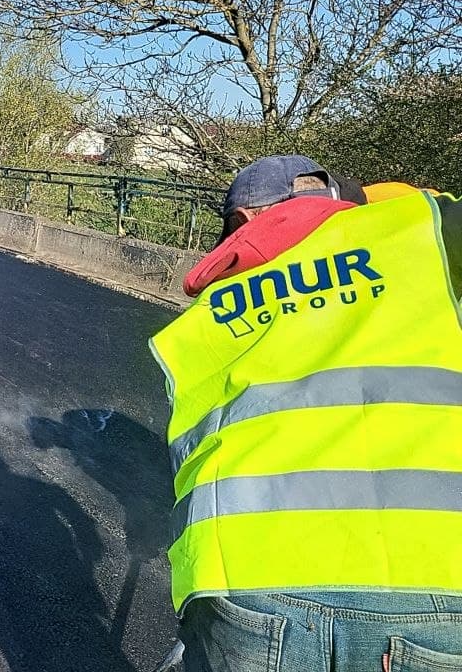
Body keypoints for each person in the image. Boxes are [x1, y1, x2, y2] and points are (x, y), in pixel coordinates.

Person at [149, 155, 462, 671]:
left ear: (245, 224)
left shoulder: (213, 303)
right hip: (432, 581)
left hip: (245, 577)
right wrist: (387, 202)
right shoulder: (420, 235)